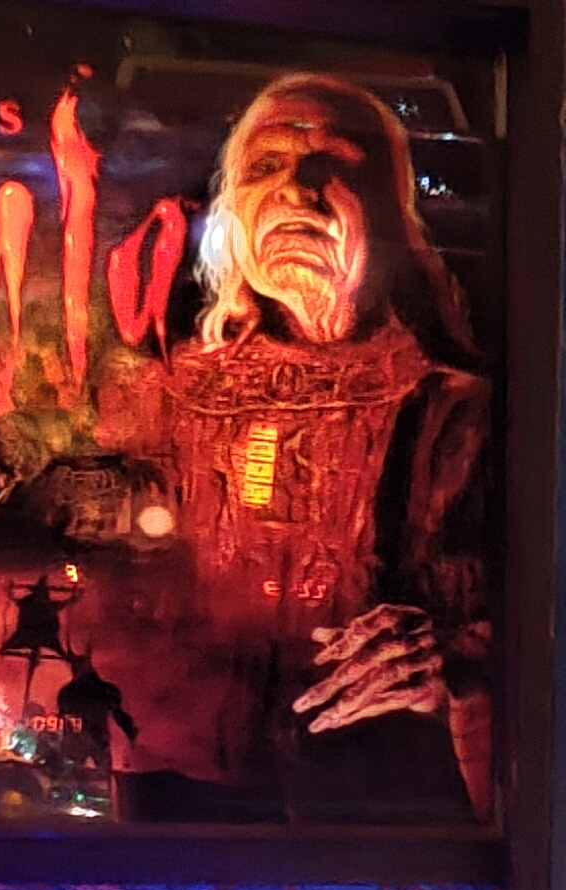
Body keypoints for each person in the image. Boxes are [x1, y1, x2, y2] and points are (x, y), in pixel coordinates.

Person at [153, 74, 498, 817]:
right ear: (232, 209)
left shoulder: (456, 412)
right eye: (264, 167)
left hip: (376, 807)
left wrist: (451, 654)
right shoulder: (169, 399)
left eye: (330, 166)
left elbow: (547, 615)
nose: (294, 191)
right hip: (182, 794)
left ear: (387, 212)